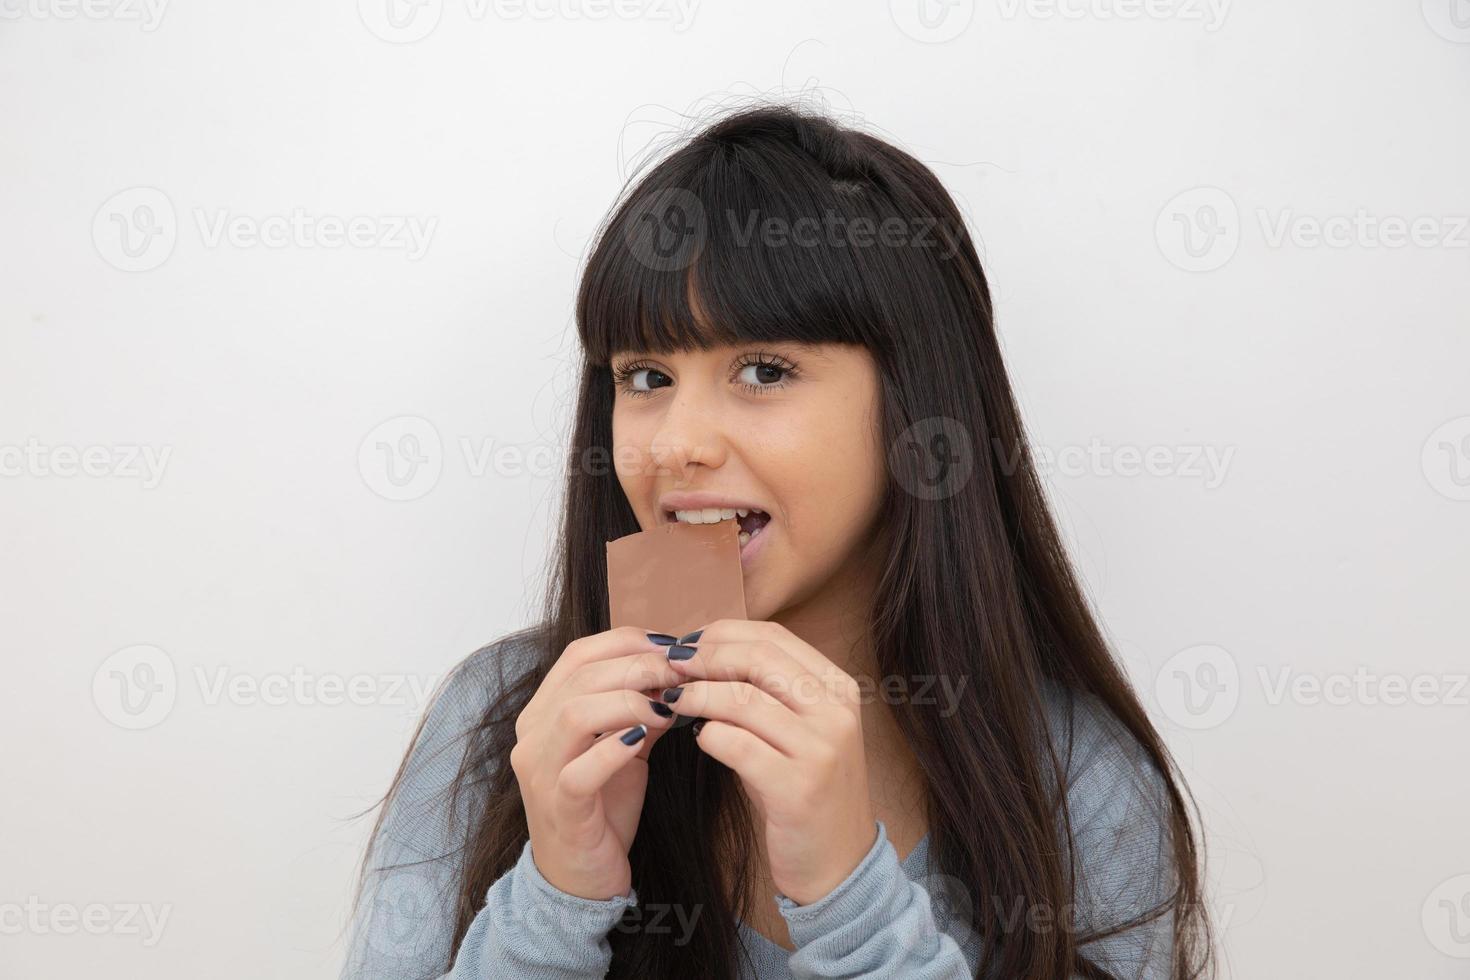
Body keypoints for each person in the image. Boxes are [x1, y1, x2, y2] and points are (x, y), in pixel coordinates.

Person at [340, 102, 1214, 979]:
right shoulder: (501, 724)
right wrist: (557, 899)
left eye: (763, 371)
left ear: (917, 406)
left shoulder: (1078, 782)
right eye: (644, 376)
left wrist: (850, 898)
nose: (677, 441)